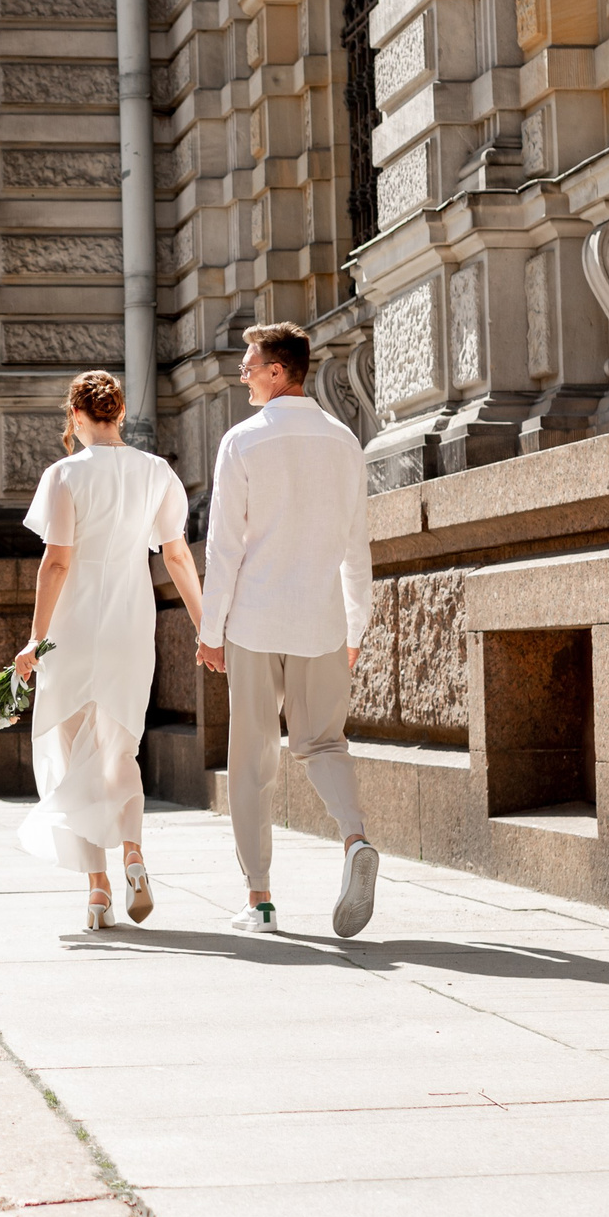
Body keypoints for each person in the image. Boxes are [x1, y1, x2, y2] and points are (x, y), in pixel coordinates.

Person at [196, 321, 376, 938]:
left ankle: (262, 901)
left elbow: (225, 548)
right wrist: (357, 625)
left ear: (279, 371)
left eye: (250, 365)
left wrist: (210, 628)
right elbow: (357, 547)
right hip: (322, 621)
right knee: (325, 744)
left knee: (250, 760)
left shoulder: (242, 442)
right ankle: (355, 840)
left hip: (254, 619)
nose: (242, 373)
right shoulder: (345, 441)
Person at [11, 371, 205, 931]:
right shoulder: (157, 472)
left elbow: (57, 561)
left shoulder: (64, 474)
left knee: (73, 756)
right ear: (119, 415)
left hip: (73, 626)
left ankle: (98, 892)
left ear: (74, 417)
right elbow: (175, 557)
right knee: (120, 750)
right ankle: (135, 856)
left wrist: (33, 638)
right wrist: (203, 627)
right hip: (128, 620)